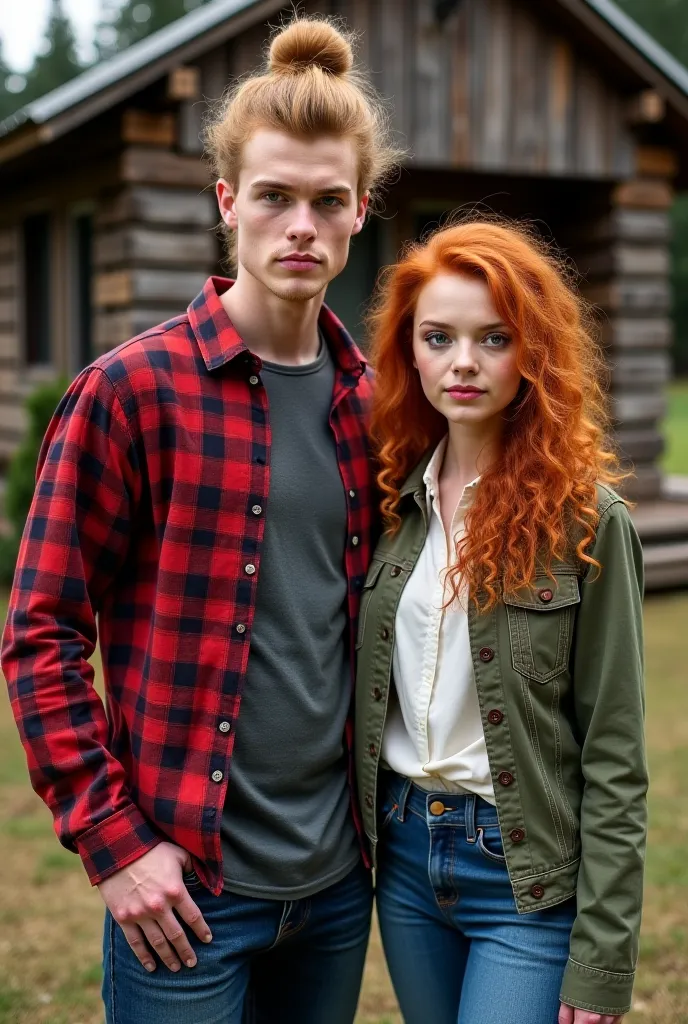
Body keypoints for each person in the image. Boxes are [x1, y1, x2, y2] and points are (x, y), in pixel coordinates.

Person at [1, 17, 399, 1024]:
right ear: (229, 204)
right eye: (274, 197)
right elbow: (40, 633)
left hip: (336, 886)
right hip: (185, 892)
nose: (299, 224)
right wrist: (116, 845)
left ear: (360, 211)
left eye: (325, 200)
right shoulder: (129, 394)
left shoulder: (378, 406)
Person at [355, 219, 648, 1024]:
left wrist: (603, 958)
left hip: (524, 870)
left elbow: (617, 755)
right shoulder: (389, 504)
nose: (462, 363)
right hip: (406, 858)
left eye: (494, 339)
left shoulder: (589, 521)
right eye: (438, 337)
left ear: (534, 354)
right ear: (409, 352)